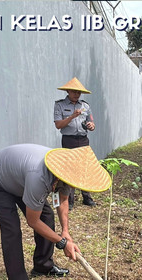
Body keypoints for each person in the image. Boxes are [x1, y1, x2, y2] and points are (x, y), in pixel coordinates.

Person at [0, 144, 111, 280]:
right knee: (12, 230)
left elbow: (62, 200)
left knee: (46, 216)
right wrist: (62, 243)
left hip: (18, 180)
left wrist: (65, 232)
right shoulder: (39, 177)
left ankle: (43, 265)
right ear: (58, 176)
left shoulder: (66, 171)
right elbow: (33, 221)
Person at [53, 77, 97, 209]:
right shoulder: (60, 105)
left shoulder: (85, 106)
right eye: (73, 92)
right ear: (67, 91)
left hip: (83, 139)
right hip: (69, 140)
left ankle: (86, 197)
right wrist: (72, 116)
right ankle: (69, 199)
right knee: (70, 168)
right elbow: (58, 125)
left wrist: (91, 125)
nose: (76, 94)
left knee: (84, 167)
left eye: (78, 92)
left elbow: (92, 122)